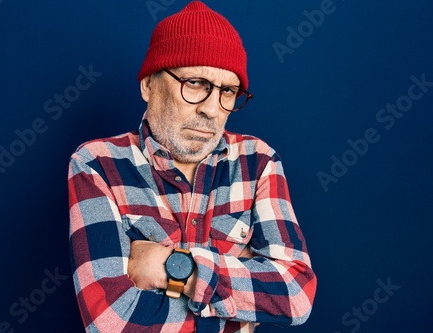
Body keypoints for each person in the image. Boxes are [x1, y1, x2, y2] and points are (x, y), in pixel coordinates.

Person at [68, 2, 317, 332]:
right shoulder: (96, 164)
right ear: (149, 85)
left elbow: (296, 294)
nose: (212, 110)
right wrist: (239, 299)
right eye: (196, 83)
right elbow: (112, 319)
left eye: (227, 91)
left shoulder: (258, 161)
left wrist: (176, 268)